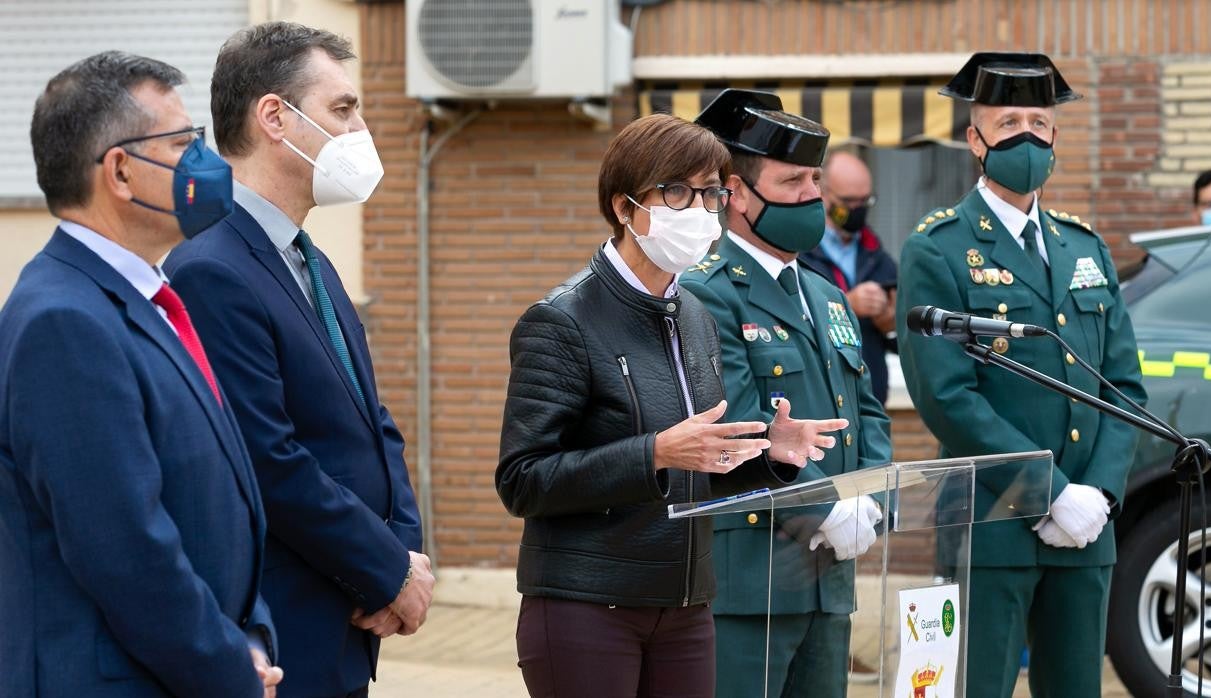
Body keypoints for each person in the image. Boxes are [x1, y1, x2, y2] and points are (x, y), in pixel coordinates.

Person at [496, 112, 850, 698]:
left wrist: (771, 457)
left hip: (685, 605)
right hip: (589, 603)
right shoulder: (560, 321)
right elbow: (523, 480)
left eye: (710, 193)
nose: (699, 210)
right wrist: (653, 453)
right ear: (623, 206)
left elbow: (697, 468)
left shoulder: (694, 317)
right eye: (679, 191)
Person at [163, 22, 432, 697]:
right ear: (275, 118)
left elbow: (375, 424)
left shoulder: (312, 262)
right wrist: (385, 571)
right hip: (288, 631)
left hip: (349, 618)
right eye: (343, 109)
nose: (360, 129)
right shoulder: (211, 268)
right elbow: (268, 459)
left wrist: (403, 558)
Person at [0, 51, 280, 697]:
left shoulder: (148, 300)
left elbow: (222, 498)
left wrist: (253, 634)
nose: (207, 166)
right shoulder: (63, 323)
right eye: (184, 144)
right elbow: (125, 551)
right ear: (121, 171)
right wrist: (228, 668)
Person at [895, 52, 1147, 698]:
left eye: (1040, 120)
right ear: (974, 139)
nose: (1028, 135)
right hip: (992, 523)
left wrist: (1100, 496)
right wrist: (1048, 490)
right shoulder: (938, 247)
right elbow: (946, 395)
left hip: (1087, 527)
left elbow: (1123, 387)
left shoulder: (1084, 248)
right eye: (1008, 121)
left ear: (1057, 137)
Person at [680, 89, 892, 698]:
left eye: (815, 179)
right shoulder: (709, 292)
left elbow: (867, 411)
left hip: (830, 582)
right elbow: (736, 427)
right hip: (752, 582)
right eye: (791, 179)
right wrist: (826, 508)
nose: (810, 195)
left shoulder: (826, 294)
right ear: (737, 194)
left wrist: (869, 501)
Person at [801, 149, 899, 405]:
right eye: (849, 202)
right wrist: (846, 304)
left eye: (865, 201)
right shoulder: (799, 250)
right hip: (821, 399)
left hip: (872, 399)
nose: (857, 210)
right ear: (823, 192)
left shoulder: (874, 251)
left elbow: (902, 339)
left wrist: (890, 322)